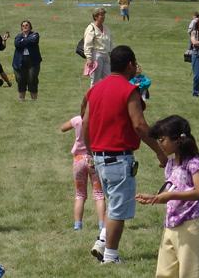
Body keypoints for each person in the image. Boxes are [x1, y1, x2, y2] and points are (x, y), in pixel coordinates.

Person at [84, 45, 168, 265]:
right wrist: (159, 151)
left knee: (113, 203)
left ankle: (102, 241)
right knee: (118, 209)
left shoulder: (96, 89)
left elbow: (85, 123)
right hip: (119, 158)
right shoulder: (129, 90)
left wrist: (90, 152)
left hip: (100, 157)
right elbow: (139, 125)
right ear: (130, 65)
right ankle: (110, 257)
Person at [136, 115, 199, 278]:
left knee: (188, 273)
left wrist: (170, 196)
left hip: (190, 225)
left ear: (176, 139)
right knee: (164, 273)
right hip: (170, 224)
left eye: (162, 140)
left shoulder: (194, 163)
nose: (160, 145)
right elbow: (171, 191)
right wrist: (154, 197)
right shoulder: (170, 164)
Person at [61, 96, 106, 232]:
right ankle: (101, 224)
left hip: (79, 160)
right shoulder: (99, 121)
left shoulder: (77, 120)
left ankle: (78, 225)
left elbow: (63, 128)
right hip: (95, 158)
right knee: (99, 194)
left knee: (80, 194)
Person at [12, 20, 42, 101]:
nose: (25, 27)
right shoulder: (18, 36)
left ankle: (34, 99)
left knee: (32, 78)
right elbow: (17, 43)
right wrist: (27, 41)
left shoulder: (35, 35)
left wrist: (23, 41)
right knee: (20, 78)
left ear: (30, 26)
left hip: (32, 61)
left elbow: (34, 40)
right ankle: (22, 98)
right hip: (19, 61)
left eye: (27, 25)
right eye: (23, 25)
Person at [83, 7, 113, 87]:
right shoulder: (91, 28)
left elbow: (110, 42)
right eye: (101, 15)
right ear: (95, 16)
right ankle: (92, 98)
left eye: (104, 15)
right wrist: (89, 58)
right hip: (96, 56)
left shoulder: (106, 28)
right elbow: (87, 44)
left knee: (109, 78)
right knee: (95, 81)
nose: (103, 17)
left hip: (106, 56)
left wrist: (112, 56)